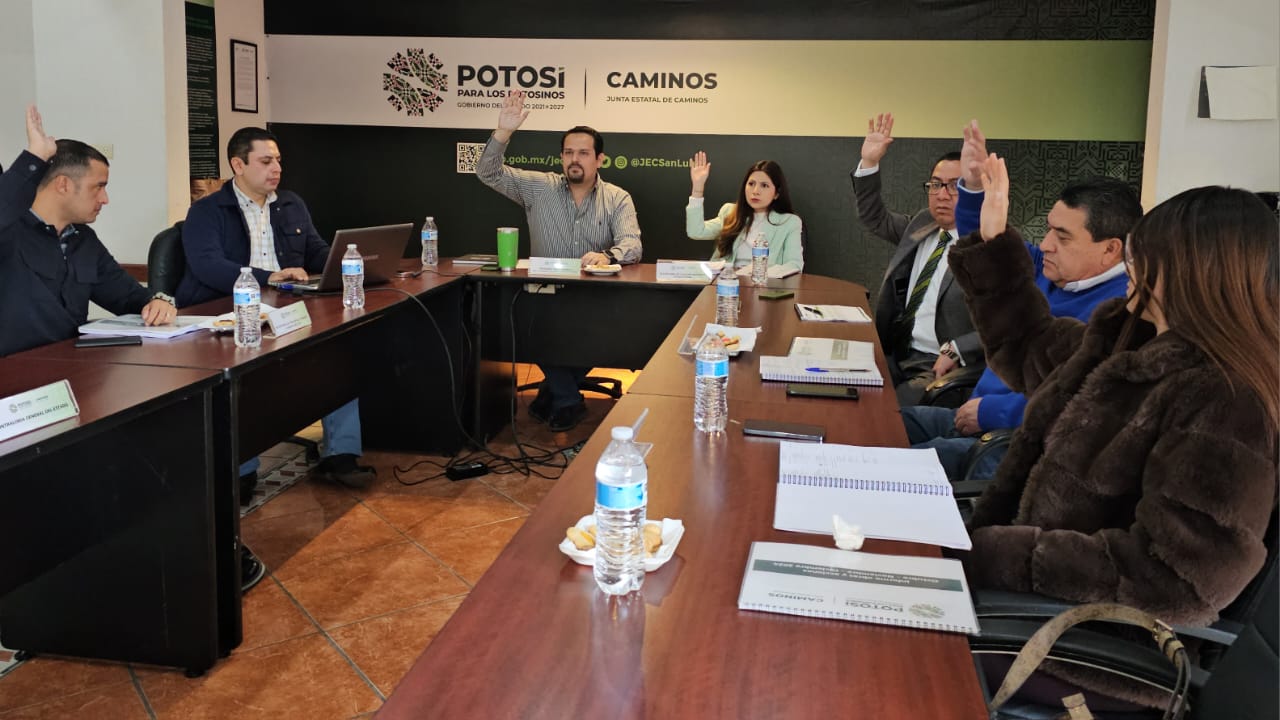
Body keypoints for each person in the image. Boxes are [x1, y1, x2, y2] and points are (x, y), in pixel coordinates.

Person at [953, 152, 1278, 707]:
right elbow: (1029, 347)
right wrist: (992, 244)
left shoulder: (1225, 399)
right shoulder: (1128, 337)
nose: (1130, 264)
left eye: (1143, 255)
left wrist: (997, 554)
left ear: (1193, 272)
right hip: (1019, 608)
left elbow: (1179, 577)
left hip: (1092, 650)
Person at [900, 122, 1139, 482]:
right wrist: (974, 187)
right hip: (973, 416)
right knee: (884, 427)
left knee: (898, 468)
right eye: (1049, 230)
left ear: (1110, 249)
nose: (1046, 244)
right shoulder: (1049, 267)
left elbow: (1080, 403)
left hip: (1011, 443)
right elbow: (987, 247)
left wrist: (995, 412)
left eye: (1062, 237)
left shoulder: (1119, 312)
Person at [178, 127, 375, 497]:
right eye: (266, 161)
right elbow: (208, 267)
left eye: (279, 161)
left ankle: (341, 455)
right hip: (229, 315)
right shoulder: (207, 211)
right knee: (242, 379)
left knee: (339, 355)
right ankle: (241, 470)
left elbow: (315, 250)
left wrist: (350, 259)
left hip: (286, 309)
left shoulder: (290, 203)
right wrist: (268, 277)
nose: (277, 168)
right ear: (238, 165)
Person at [476, 91, 642, 432]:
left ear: (600, 159)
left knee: (610, 333)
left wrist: (608, 255)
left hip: (594, 295)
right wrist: (503, 132)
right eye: (568, 152)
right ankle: (567, 400)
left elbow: (633, 244)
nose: (574, 159)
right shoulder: (539, 187)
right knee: (532, 326)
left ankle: (555, 392)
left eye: (583, 153)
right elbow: (488, 173)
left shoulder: (617, 197)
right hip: (544, 294)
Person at [1, 105, 176, 358]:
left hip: (74, 367)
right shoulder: (8, 232)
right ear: (63, 184)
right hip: (15, 374)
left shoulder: (82, 238)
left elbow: (126, 296)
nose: (105, 199)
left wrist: (157, 302)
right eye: (98, 187)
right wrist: (34, 157)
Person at [852, 112, 981, 406]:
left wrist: (960, 348)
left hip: (939, 364)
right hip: (896, 351)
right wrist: (869, 163)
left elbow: (1013, 321)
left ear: (973, 190)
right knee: (843, 389)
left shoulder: (988, 246)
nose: (942, 195)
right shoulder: (924, 223)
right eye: (936, 184)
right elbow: (875, 218)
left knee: (888, 413)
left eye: (955, 186)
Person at [686, 152, 803, 277]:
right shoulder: (730, 212)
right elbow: (696, 231)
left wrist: (756, 273)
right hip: (725, 281)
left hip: (763, 283)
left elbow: (794, 265)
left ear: (776, 193)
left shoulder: (789, 222)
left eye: (764, 185)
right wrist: (697, 188)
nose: (755, 191)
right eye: (751, 184)